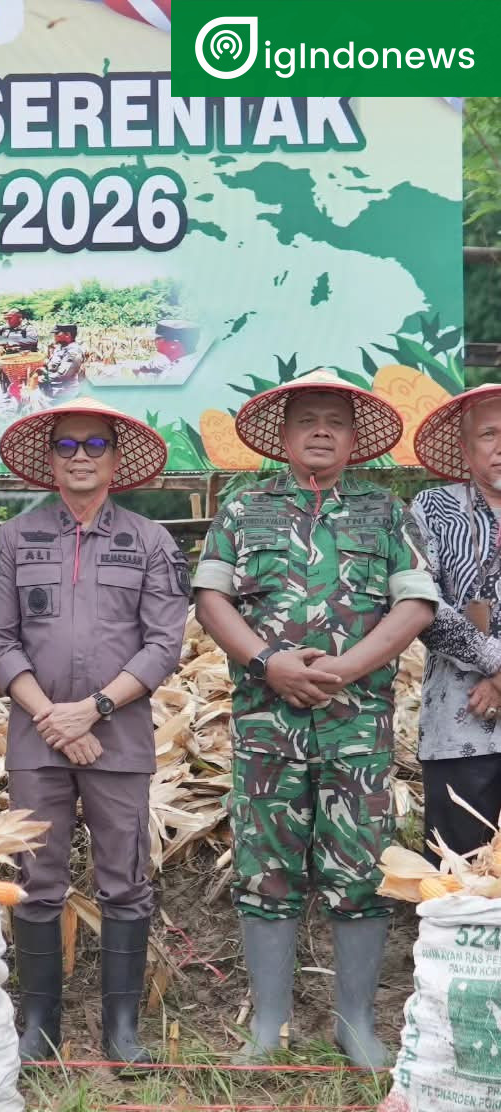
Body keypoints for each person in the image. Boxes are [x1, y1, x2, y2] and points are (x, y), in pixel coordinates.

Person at [193, 370, 437, 1068]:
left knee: (359, 868)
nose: (321, 431)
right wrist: (268, 662)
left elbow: (414, 604)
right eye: (307, 421)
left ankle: (354, 1024)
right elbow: (212, 600)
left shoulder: (386, 513)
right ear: (285, 436)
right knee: (264, 867)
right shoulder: (244, 508)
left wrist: (346, 669)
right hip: (266, 722)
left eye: (334, 420)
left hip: (355, 725)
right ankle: (267, 1028)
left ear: (355, 439)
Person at [0, 397, 187, 1066]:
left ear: (115, 460)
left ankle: (120, 1032)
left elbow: (162, 645)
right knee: (34, 878)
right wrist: (51, 717)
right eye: (65, 446)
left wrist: (91, 709)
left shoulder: (150, 540)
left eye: (93, 445)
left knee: (123, 880)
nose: (79, 457)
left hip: (117, 738)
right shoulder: (14, 538)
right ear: (48, 461)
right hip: (36, 739)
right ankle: (37, 1026)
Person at [409, 384, 501, 859]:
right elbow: (421, 602)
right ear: (465, 449)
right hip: (461, 721)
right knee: (459, 878)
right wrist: (497, 665)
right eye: (489, 433)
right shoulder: (432, 509)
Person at [132, 320, 202, 381]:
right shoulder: (174, 360)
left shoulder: (183, 371)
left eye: (158, 339)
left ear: (174, 345)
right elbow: (152, 366)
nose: (154, 342)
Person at [39, 325, 85, 401]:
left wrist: (43, 378)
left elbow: (64, 374)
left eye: (57, 333)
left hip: (63, 395)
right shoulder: (60, 347)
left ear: (67, 335)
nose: (54, 336)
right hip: (52, 392)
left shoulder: (73, 351)